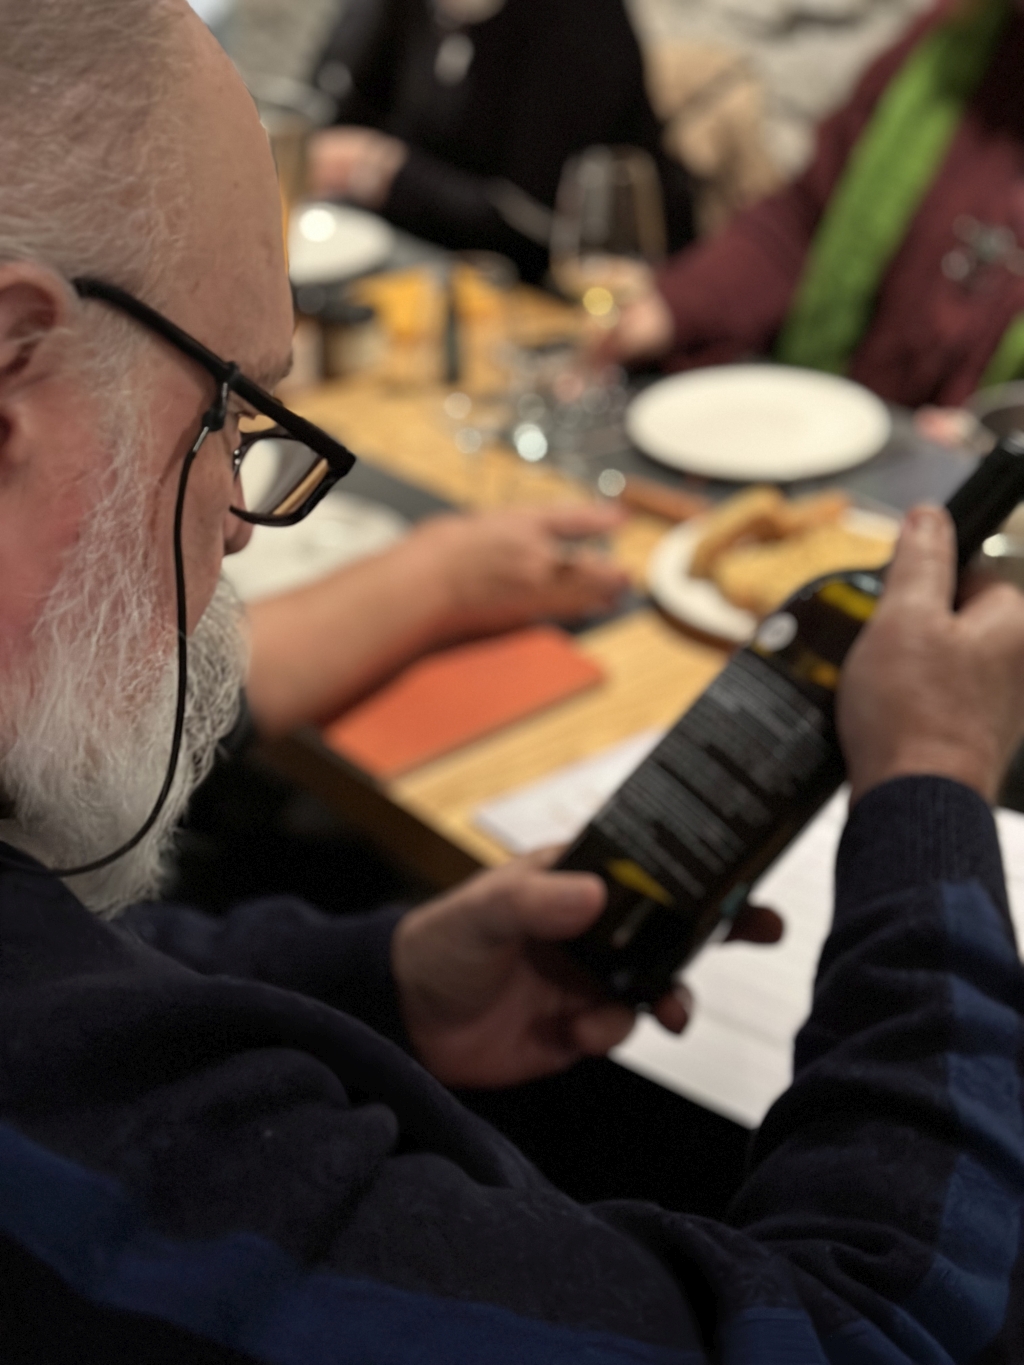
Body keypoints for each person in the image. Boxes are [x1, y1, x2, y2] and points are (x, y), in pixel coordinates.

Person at [2, 5, 1024, 1364]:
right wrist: (933, 778)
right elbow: (883, 1331)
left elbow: (96, 980)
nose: (240, 527)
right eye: (226, 413)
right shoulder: (124, 1158)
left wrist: (383, 981)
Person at [603, 0, 1024, 409]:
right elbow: (802, 223)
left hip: (964, 450)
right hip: (846, 422)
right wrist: (673, 307)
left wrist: (997, 436)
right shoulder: (954, 44)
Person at [306, 0, 695, 283]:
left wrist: (385, 171)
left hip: (563, 292)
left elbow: (533, 226)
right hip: (426, 266)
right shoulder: (412, 11)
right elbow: (337, 113)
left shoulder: (579, 21)